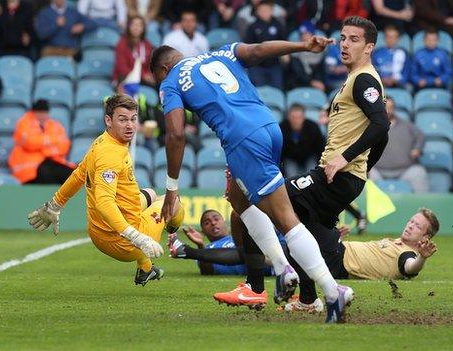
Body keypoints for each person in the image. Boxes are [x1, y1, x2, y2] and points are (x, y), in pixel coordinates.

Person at [150, 19, 369, 323]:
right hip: (268, 126)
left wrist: (172, 187)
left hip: (242, 139)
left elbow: (175, 134)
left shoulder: (170, 81)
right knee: (238, 200)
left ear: (162, 69)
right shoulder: (221, 53)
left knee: (286, 219)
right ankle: (281, 271)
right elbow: (260, 50)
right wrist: (304, 45)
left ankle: (332, 292)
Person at [26, 94, 185, 285]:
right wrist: (139, 239)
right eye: (122, 119)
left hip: (98, 231)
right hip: (125, 244)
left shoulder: (102, 142)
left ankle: (145, 270)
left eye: (133, 119)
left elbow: (78, 175)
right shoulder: (110, 154)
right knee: (173, 202)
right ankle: (171, 228)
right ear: (108, 120)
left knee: (150, 194)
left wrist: (54, 205)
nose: (130, 126)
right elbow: (104, 202)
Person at [285, 208, 439, 312]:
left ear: (426, 237)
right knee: (293, 245)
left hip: (339, 261)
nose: (411, 226)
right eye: (411, 221)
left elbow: (411, 268)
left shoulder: (406, 254)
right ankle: (306, 298)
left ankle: (308, 300)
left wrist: (422, 257)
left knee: (305, 222)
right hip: (337, 250)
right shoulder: (396, 242)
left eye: (417, 226)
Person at [169, 210, 261, 276]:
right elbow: (207, 271)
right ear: (203, 231)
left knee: (237, 213)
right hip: (261, 267)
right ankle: (186, 251)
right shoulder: (206, 251)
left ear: (225, 222)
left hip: (266, 259)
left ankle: (185, 251)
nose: (213, 223)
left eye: (216, 219)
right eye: (207, 223)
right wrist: (200, 245)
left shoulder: (242, 237)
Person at [369, 96, 428, 192]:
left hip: (405, 169)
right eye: (386, 107)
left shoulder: (407, 125)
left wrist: (417, 149)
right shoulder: (372, 126)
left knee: (419, 173)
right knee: (362, 174)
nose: (389, 110)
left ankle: (423, 206)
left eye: (391, 107)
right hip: (377, 170)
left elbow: (421, 136)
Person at [9, 99, 75, 184]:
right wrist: (51, 142)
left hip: (51, 162)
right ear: (34, 112)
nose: (42, 115)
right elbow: (29, 142)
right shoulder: (24, 123)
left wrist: (43, 148)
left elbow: (64, 145)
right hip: (30, 170)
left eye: (45, 113)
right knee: (46, 174)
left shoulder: (55, 125)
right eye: (40, 112)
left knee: (74, 174)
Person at [244, 0, 286, 89]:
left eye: (267, 10)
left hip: (275, 63)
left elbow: (283, 40)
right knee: (259, 90)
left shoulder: (278, 24)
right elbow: (248, 45)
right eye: (262, 11)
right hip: (257, 65)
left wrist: (285, 54)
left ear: (271, 11)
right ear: (257, 12)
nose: (265, 13)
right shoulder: (252, 26)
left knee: (277, 89)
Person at [280, 104, 325, 178]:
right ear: (289, 117)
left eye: (299, 117)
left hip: (309, 157)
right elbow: (280, 151)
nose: (296, 120)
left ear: (303, 117)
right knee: (292, 178)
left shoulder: (313, 127)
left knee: (311, 177)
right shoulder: (282, 128)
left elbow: (320, 148)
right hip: (291, 159)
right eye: (293, 117)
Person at [112, 15, 156, 92]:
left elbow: (151, 64)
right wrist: (143, 75)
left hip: (142, 79)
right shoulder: (122, 43)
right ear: (129, 27)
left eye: (140, 25)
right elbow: (122, 68)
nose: (137, 28)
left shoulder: (147, 44)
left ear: (143, 28)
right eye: (134, 25)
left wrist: (150, 75)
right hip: (125, 78)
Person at [287, 21, 326, 91]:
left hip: (317, 85)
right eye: (302, 34)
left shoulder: (319, 51)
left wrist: (319, 82)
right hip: (298, 85)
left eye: (307, 34)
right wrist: (311, 82)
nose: (304, 37)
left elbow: (321, 71)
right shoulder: (295, 51)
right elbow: (297, 72)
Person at [371, 24, 410, 89]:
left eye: (394, 37)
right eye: (388, 37)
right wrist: (381, 79)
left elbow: (407, 72)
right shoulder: (376, 53)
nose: (391, 39)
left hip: (399, 85)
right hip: (380, 84)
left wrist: (398, 80)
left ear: (398, 39)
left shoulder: (404, 53)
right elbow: (373, 70)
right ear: (384, 38)